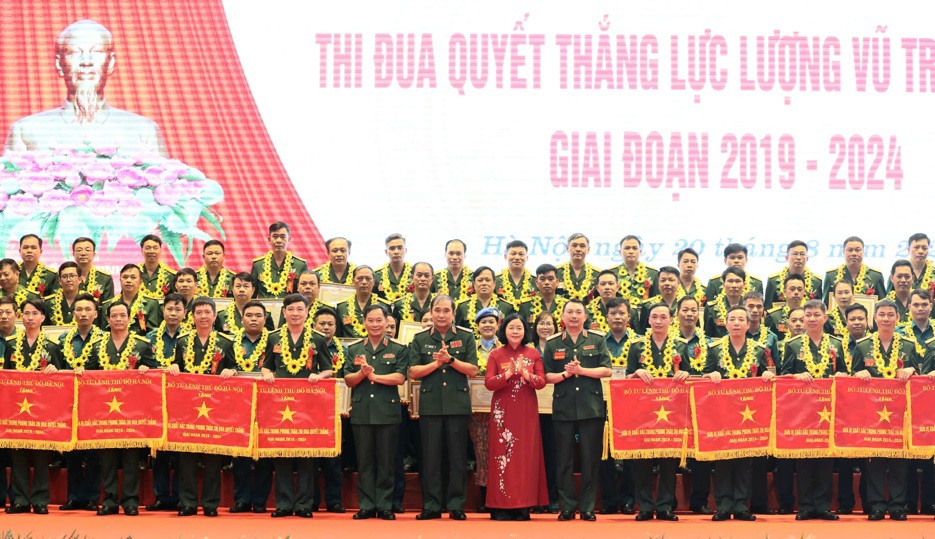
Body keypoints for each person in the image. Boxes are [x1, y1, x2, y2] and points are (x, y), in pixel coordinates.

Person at [3, 19, 167, 155]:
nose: (86, 62)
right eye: (74, 52)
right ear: (59, 64)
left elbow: (167, 191)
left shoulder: (142, 131)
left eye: (97, 52)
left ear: (110, 63)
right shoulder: (27, 131)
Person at [851, 299, 924, 520]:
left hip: (900, 414)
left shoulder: (909, 346)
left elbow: (920, 382)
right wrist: (859, 374)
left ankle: (897, 506)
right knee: (874, 461)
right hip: (871, 415)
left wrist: (911, 369)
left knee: (900, 461)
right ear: (875, 318)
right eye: (881, 314)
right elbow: (851, 379)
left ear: (898, 318)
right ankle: (875, 505)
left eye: (890, 314)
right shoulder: (863, 346)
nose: (886, 318)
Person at [261, 294, 332, 518]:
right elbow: (265, 367)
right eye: (290, 309)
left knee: (306, 455)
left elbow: (329, 369)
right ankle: (283, 503)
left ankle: (303, 504)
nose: (295, 313)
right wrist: (267, 374)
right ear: (284, 313)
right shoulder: (273, 338)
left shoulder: (318, 339)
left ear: (307, 312)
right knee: (280, 452)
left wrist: (319, 376)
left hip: (308, 404)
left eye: (299, 309)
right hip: (279, 404)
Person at [408, 295, 479, 521]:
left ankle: (456, 505)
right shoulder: (419, 339)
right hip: (430, 405)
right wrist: (436, 364)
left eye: (446, 310)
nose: (441, 315)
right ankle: (431, 505)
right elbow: (413, 372)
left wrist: (450, 361)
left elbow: (473, 370)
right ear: (430, 311)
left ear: (453, 313)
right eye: (437, 310)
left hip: (457, 405)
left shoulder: (466, 337)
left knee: (457, 458)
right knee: (430, 457)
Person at [542, 299, 612, 521]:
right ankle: (567, 506)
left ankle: (588, 507)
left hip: (591, 408)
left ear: (585, 317)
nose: (573, 315)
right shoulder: (553, 343)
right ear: (562, 317)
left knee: (590, 458)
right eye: (569, 312)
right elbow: (546, 376)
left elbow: (607, 370)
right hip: (563, 407)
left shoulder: (597, 339)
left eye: (578, 312)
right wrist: (566, 374)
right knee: (564, 460)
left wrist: (582, 370)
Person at [702, 305, 774, 521]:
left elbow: (768, 374)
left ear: (748, 323)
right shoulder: (714, 349)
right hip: (722, 413)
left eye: (741, 319)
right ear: (725, 322)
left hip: (748, 414)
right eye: (732, 319)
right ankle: (724, 504)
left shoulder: (759, 349)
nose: (736, 323)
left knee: (745, 459)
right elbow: (703, 375)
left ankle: (742, 504)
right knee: (723, 458)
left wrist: (768, 376)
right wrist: (711, 374)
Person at [171, 297, 238, 517]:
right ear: (192, 317)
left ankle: (210, 503)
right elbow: (178, 368)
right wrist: (173, 367)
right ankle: (188, 503)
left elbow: (234, 368)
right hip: (188, 409)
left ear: (214, 316)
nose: (203, 316)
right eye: (198, 312)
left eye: (207, 312)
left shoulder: (225, 343)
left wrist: (232, 372)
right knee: (187, 457)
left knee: (212, 457)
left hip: (214, 409)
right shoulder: (182, 342)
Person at [781, 299, 846, 521]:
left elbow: (846, 374)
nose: (811, 318)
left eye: (816, 314)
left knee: (826, 460)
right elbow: (784, 377)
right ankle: (806, 505)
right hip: (803, 414)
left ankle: (823, 505)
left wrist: (841, 376)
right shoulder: (792, 345)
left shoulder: (837, 344)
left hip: (829, 412)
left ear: (825, 318)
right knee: (805, 460)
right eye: (807, 315)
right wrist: (796, 376)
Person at [344, 304, 410, 520]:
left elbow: (400, 378)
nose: (374, 324)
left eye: (379, 320)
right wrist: (362, 374)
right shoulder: (354, 349)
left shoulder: (399, 349)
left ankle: (384, 505)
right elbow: (347, 379)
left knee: (386, 461)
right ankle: (366, 505)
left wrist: (375, 377)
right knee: (365, 461)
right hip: (362, 411)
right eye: (370, 320)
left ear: (386, 322)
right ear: (364, 323)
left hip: (387, 411)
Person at [89, 301, 154, 516]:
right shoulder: (97, 345)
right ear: (107, 320)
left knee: (131, 458)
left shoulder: (142, 345)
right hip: (104, 413)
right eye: (114, 316)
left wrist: (147, 369)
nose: (118, 319)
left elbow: (154, 377)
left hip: (133, 413)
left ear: (129, 318)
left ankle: (131, 500)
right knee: (107, 458)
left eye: (122, 315)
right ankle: (108, 500)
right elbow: (88, 374)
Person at [626, 302, 689, 521]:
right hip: (644, 412)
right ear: (649, 320)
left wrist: (685, 373)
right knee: (643, 459)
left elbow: (691, 374)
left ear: (672, 320)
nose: (659, 321)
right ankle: (644, 506)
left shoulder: (681, 346)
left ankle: (664, 506)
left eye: (664, 317)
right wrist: (636, 373)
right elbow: (625, 379)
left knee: (669, 461)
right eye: (654, 317)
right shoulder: (635, 346)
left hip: (672, 412)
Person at [484, 312, 549, 520]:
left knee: (524, 457)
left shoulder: (533, 354)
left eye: (519, 328)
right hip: (502, 412)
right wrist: (508, 374)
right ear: (504, 331)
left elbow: (541, 382)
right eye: (511, 327)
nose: (515, 331)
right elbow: (489, 383)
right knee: (502, 455)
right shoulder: (496, 354)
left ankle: (523, 505)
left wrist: (526, 375)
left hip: (526, 411)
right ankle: (501, 505)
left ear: (524, 331)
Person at [3, 298, 63, 515]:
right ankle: (19, 500)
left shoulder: (52, 347)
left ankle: (39, 499)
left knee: (40, 458)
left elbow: (62, 380)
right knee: (18, 457)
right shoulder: (11, 345)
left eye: (35, 314)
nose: (30, 318)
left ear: (43, 318)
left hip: (42, 413)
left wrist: (55, 370)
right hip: (17, 412)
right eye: (26, 313)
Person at [228, 301, 275, 514]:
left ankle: (260, 501)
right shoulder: (230, 342)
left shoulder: (274, 342)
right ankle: (242, 499)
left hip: (269, 404)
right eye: (249, 315)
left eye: (258, 315)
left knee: (264, 455)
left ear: (265, 319)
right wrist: (230, 371)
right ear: (242, 319)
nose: (253, 319)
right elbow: (222, 368)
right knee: (240, 455)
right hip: (239, 404)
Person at [58, 292, 103, 512]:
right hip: (69, 402)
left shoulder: (104, 339)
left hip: (97, 403)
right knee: (73, 451)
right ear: (73, 313)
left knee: (94, 452)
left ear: (96, 313)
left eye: (88, 310)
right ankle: (74, 496)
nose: (83, 313)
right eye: (79, 310)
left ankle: (93, 496)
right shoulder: (62, 340)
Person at [144, 293, 187, 512]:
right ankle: (161, 496)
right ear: (163, 311)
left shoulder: (189, 338)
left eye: (178, 310)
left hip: (183, 402)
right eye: (169, 309)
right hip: (155, 401)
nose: (173, 313)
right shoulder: (150, 338)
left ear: (185, 313)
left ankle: (180, 495)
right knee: (158, 451)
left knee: (179, 449)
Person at [897, 289, 935, 515]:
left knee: (931, 453)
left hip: (932, 401)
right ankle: (909, 501)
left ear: (931, 306)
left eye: (925, 304)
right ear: (908, 307)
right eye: (916, 304)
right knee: (909, 453)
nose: (920, 308)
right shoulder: (899, 333)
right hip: (905, 402)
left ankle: (930, 502)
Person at [675, 295, 714, 513]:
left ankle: (699, 501)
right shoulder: (668, 341)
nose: (689, 314)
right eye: (685, 310)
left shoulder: (710, 343)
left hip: (702, 404)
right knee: (671, 452)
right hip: (673, 405)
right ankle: (668, 502)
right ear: (677, 313)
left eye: (693, 310)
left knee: (702, 452)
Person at [598, 297, 637, 516]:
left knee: (630, 453)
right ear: (607, 317)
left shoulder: (640, 343)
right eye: (613, 313)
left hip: (632, 404)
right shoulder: (597, 341)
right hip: (602, 402)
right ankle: (610, 501)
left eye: (622, 313)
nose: (618, 317)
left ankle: (629, 500)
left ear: (629, 317)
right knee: (605, 454)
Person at [311, 306, 347, 513]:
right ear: (314, 325)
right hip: (310, 410)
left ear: (336, 327)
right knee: (311, 459)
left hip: (335, 409)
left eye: (330, 324)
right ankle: (312, 500)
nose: (326, 327)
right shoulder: (307, 346)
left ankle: (334, 500)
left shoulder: (345, 350)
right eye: (322, 324)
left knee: (334, 458)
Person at [836, 302, 870, 515]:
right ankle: (845, 503)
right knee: (845, 459)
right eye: (852, 319)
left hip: (869, 410)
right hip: (843, 409)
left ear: (868, 321)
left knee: (868, 459)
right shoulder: (835, 346)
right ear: (845, 323)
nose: (857, 322)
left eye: (861, 319)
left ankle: (868, 502)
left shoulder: (874, 345)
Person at [470, 307, 502, 512]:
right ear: (478, 326)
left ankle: (502, 496)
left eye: (491, 321)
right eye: (483, 322)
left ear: (498, 324)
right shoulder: (469, 348)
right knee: (482, 452)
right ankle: (485, 498)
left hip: (503, 407)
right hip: (477, 409)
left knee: (503, 451)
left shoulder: (506, 348)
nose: (488, 325)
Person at [531, 310, 560, 514]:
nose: (545, 327)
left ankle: (552, 498)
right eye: (541, 323)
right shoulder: (528, 351)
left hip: (555, 408)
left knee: (553, 454)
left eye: (549, 323)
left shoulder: (560, 348)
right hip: (531, 409)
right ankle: (534, 498)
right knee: (533, 455)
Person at [251, 222, 308, 298]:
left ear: (289, 239)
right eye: (275, 236)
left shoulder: (300, 265)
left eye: (283, 237)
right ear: (269, 239)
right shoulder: (258, 265)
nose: (278, 240)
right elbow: (252, 295)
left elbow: (305, 295)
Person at [101, 264, 161, 335]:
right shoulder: (107, 305)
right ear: (120, 280)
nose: (128, 280)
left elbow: (152, 334)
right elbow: (104, 333)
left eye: (133, 277)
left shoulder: (151, 304)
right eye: (125, 277)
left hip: (141, 345)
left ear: (140, 282)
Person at [822, 236, 886, 302]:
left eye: (857, 250)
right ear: (843, 251)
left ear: (863, 251)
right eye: (850, 250)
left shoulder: (875, 276)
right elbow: (826, 305)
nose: (854, 253)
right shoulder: (831, 276)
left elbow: (883, 304)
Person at [455, 266, 514, 335]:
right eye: (480, 280)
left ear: (494, 283)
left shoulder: (506, 307)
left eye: (487, 280)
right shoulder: (463, 307)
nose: (484, 283)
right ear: (474, 284)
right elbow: (458, 333)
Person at [764, 241, 822, 309]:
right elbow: (767, 308)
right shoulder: (773, 281)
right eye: (795, 254)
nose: (798, 258)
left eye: (802, 254)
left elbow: (819, 308)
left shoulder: (816, 281)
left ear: (807, 258)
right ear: (787, 258)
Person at [337, 266, 392, 338]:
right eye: (360, 278)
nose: (364, 282)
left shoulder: (384, 306)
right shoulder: (342, 307)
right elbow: (338, 336)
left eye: (368, 279)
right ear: (353, 281)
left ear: (374, 282)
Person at [609, 235, 659, 309]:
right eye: (627, 248)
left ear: (640, 252)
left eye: (635, 248)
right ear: (620, 252)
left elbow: (657, 299)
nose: (631, 252)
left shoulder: (653, 273)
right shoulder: (611, 274)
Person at [519, 264, 567, 333]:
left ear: (557, 282)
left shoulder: (566, 305)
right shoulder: (525, 305)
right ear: (537, 283)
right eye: (542, 279)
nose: (547, 282)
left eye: (550, 279)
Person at [703, 266, 746, 338]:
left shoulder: (749, 306)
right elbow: (708, 337)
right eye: (730, 281)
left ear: (744, 285)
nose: (734, 285)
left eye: (738, 281)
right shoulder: (712, 308)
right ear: (723, 284)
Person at [555, 233, 600, 301]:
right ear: (567, 248)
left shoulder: (597, 274)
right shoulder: (556, 273)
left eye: (582, 246)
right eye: (574, 245)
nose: (578, 249)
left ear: (588, 249)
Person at [638, 266, 681, 331]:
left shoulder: (684, 305)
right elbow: (643, 333)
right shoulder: (648, 306)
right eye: (663, 280)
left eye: (671, 280)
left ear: (678, 284)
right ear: (658, 284)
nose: (667, 283)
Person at [765, 273, 807, 341]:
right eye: (792, 289)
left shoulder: (809, 315)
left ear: (804, 292)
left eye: (799, 289)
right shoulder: (773, 315)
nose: (796, 292)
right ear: (784, 292)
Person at [495, 240, 536, 309]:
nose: (517, 258)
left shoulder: (535, 281)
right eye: (513, 254)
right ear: (505, 257)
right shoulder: (496, 280)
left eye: (521, 254)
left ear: (527, 258)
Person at [373, 234, 413, 303]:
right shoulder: (376, 275)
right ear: (386, 252)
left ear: (405, 250)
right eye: (392, 248)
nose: (396, 252)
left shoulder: (415, 274)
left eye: (400, 248)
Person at [73, 237, 115, 303]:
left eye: (87, 250)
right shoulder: (65, 277)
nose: (83, 253)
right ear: (73, 254)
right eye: (79, 250)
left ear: (94, 254)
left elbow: (107, 305)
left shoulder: (105, 278)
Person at [139, 235, 177, 300]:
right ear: (142, 250)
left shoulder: (170, 276)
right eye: (148, 248)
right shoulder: (135, 275)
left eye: (155, 248)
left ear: (160, 250)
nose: (151, 251)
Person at [888, 260, 914, 324]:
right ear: (892, 278)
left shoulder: (921, 303)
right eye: (899, 276)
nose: (903, 280)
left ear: (913, 279)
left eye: (907, 277)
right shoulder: (884, 305)